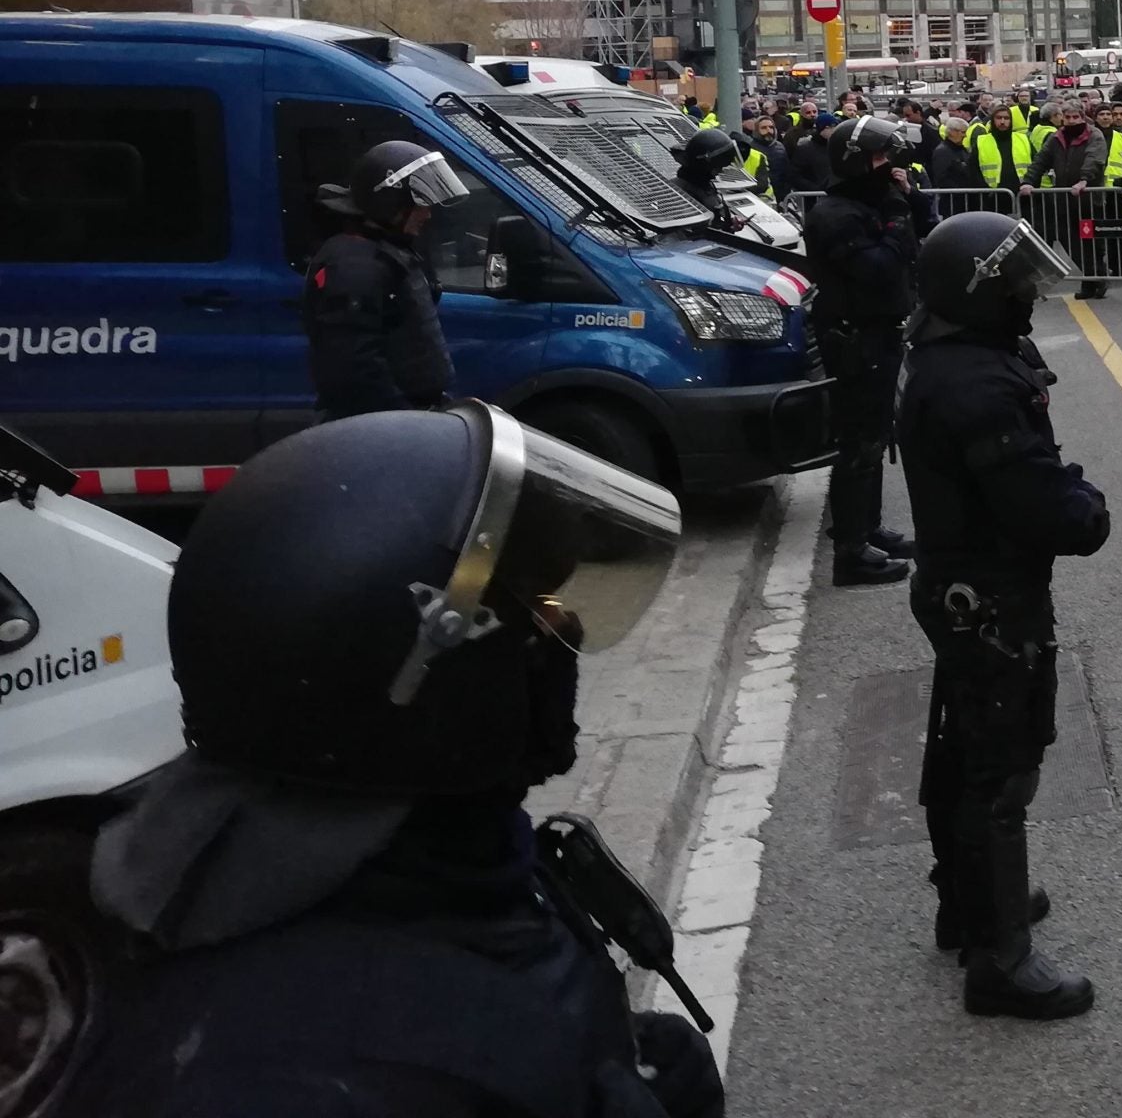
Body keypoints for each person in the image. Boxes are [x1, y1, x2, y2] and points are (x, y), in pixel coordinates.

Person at [68, 404, 714, 1115]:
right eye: (531, 613)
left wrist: (612, 1057)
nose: (561, 625)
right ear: (416, 682)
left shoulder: (427, 852)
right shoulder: (289, 1079)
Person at [898, 212, 1111, 1019]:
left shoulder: (954, 359)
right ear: (978, 292)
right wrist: (1086, 503)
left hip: (964, 584)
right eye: (1013, 282)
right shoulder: (977, 385)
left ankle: (971, 903)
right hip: (989, 594)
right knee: (1001, 770)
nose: (1027, 295)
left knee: (965, 747)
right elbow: (1050, 510)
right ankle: (1000, 960)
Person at [804, 116, 937, 587]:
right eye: (880, 158)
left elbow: (929, 226)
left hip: (881, 332)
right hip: (854, 337)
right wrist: (897, 217)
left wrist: (907, 195)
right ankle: (850, 550)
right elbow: (879, 266)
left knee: (878, 438)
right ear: (857, 162)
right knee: (858, 443)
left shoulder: (876, 200)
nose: (888, 166)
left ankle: (869, 527)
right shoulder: (836, 215)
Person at [303, 140, 466, 422]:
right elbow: (355, 370)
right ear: (389, 202)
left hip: (404, 418)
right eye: (420, 205)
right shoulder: (354, 266)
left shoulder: (385, 250)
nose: (427, 214)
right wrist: (405, 421)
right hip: (380, 427)